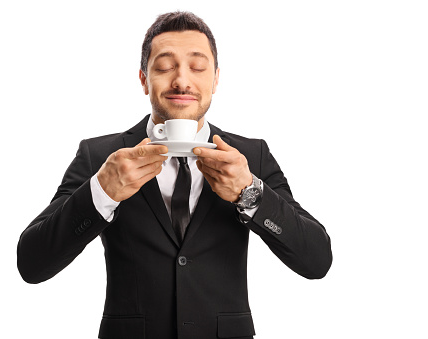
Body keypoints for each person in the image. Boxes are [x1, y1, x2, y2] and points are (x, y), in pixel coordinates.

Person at [17, 11, 332, 339]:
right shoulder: (100, 157)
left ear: (216, 79)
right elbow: (32, 263)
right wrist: (101, 191)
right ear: (144, 79)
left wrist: (249, 192)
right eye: (165, 66)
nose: (182, 80)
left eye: (197, 67)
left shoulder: (251, 157)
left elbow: (317, 259)